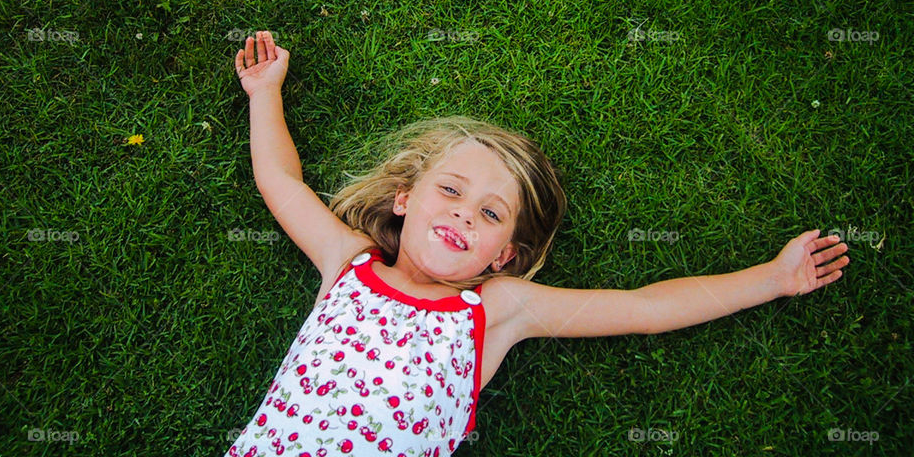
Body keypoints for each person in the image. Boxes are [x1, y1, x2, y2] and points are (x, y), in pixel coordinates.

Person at [224, 31, 850, 457]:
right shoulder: (349, 261)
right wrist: (266, 93)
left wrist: (772, 277)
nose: (463, 215)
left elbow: (644, 309)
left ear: (503, 256)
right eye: (449, 190)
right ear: (406, 198)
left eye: (490, 212)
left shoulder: (497, 308)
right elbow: (280, 181)